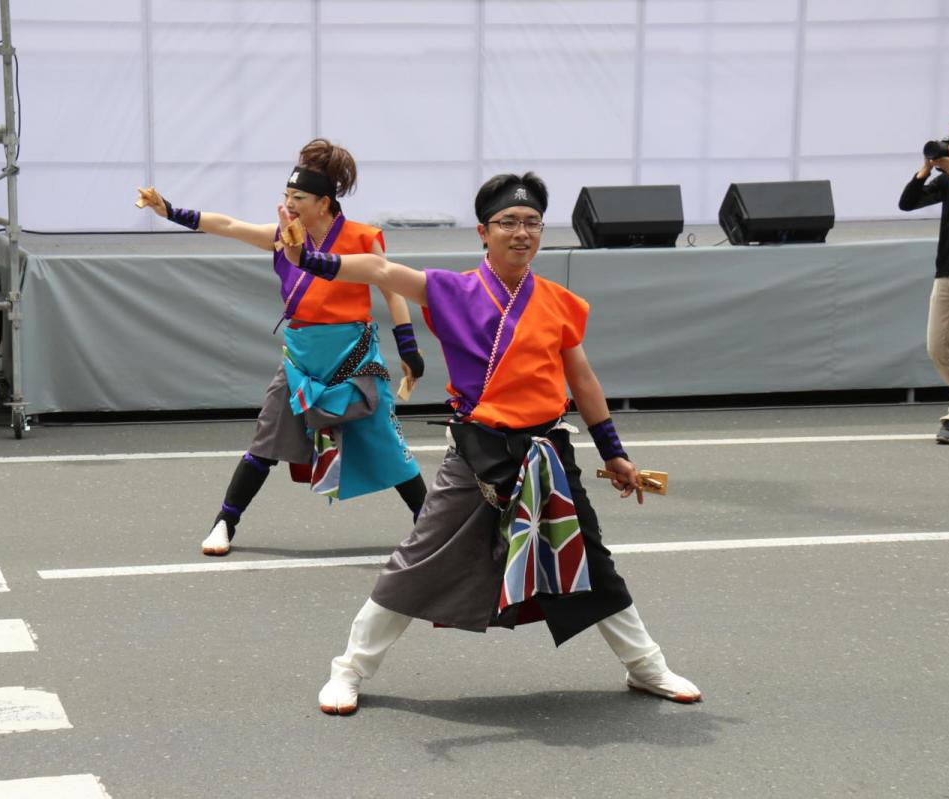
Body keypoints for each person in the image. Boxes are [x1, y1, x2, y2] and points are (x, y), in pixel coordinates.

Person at [279, 172, 701, 715]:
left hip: (546, 454)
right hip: (477, 455)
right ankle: (349, 671)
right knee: (417, 561)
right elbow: (382, 269)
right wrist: (315, 262)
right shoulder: (450, 291)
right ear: (483, 231)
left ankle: (647, 668)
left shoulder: (560, 303)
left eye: (531, 223)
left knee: (590, 561)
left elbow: (584, 381)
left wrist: (613, 450)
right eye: (508, 223)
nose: (521, 233)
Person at [138, 139, 429, 556]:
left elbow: (393, 290)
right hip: (302, 359)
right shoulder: (282, 238)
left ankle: (432, 527)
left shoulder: (363, 238)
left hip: (354, 356)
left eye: (298, 197)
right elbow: (228, 226)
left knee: (389, 444)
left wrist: (408, 346)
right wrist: (171, 211)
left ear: (324, 203)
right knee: (265, 444)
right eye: (287, 196)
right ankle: (225, 522)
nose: (289, 204)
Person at [898, 112, 949, 444]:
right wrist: (926, 170)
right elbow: (908, 204)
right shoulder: (948, 177)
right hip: (946, 272)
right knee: (938, 348)